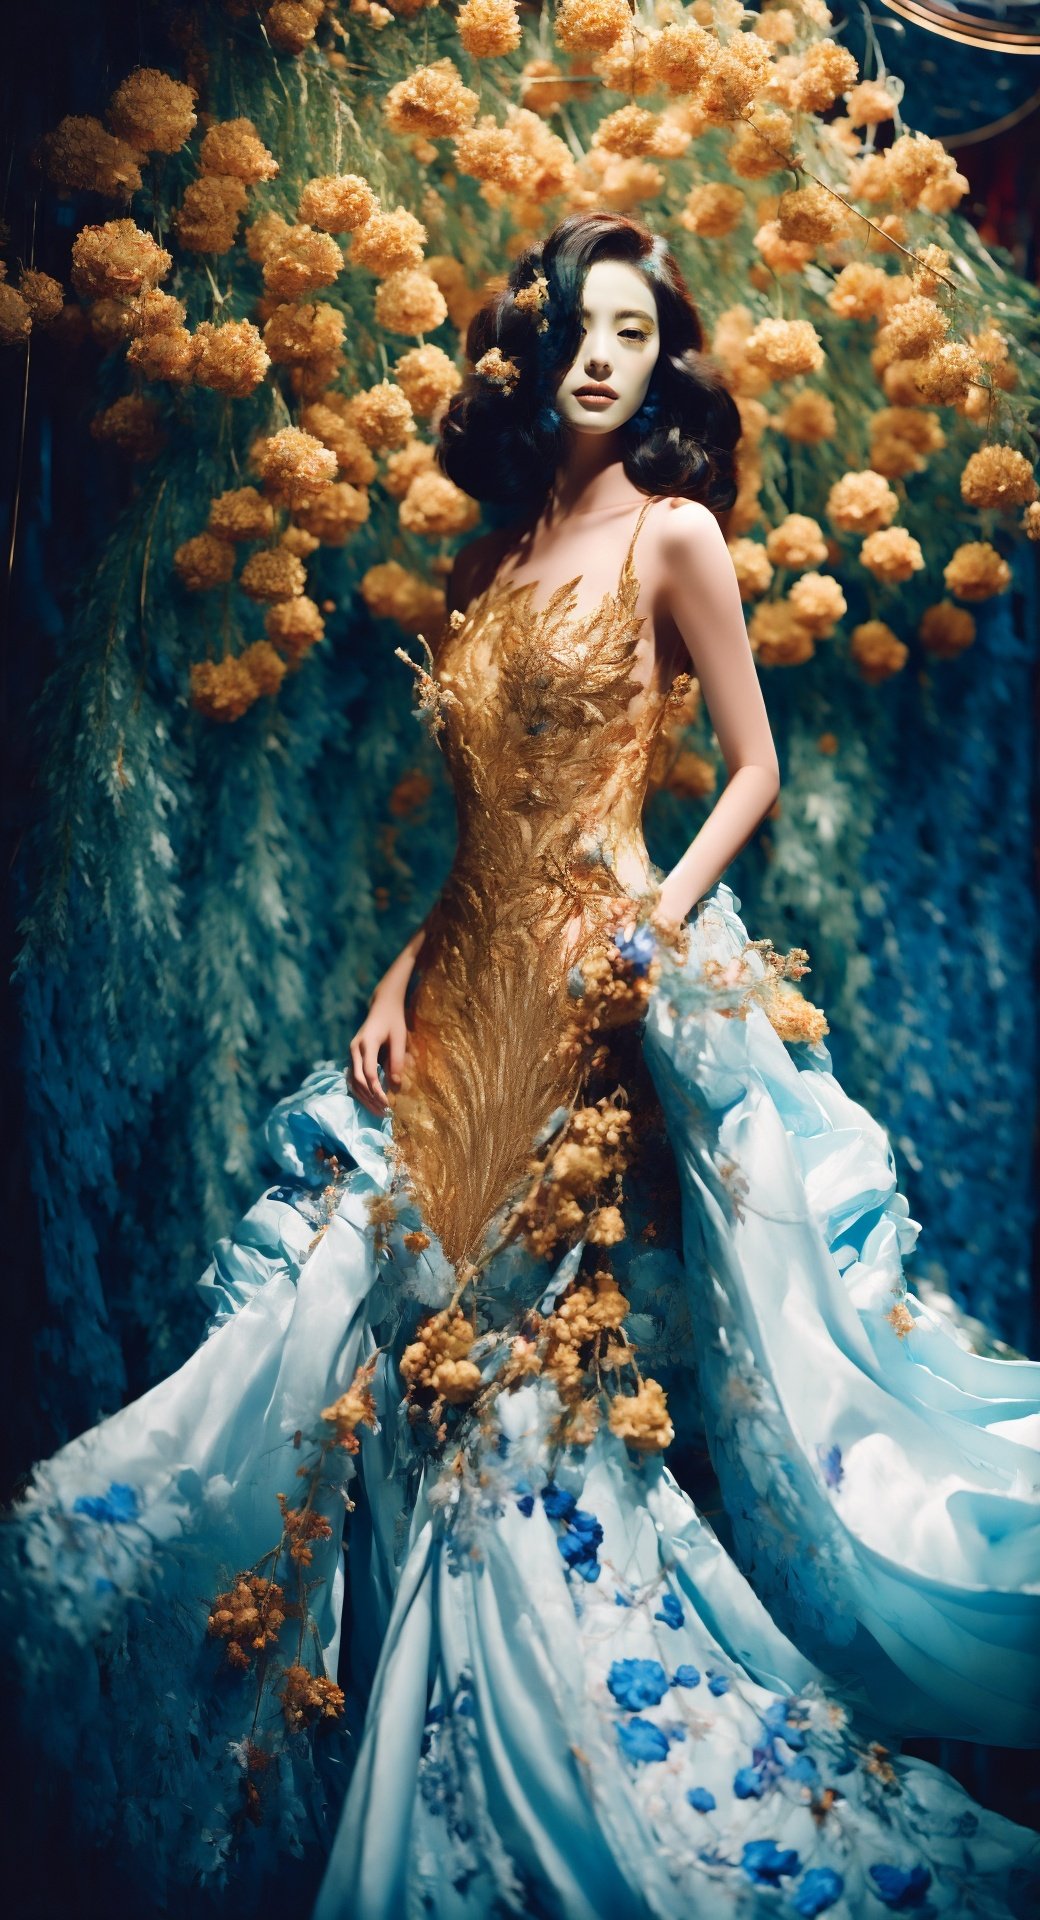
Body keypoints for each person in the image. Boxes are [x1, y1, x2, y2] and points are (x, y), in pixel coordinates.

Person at [3, 211, 1038, 1920]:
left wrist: (652, 937)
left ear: (664, 361)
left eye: (635, 330)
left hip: (587, 984)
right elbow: (486, 824)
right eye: (580, 323)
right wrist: (405, 967)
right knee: (390, 1349)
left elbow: (753, 769)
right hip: (467, 974)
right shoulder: (501, 559)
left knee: (505, 1373)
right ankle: (402, 1751)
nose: (604, 354)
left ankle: (526, 1778)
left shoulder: (676, 534)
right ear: (533, 347)